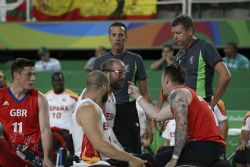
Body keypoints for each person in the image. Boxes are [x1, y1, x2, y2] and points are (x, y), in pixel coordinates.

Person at [128, 64, 226, 167]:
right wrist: (137, 95)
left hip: (203, 146)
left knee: (154, 160)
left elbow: (182, 125)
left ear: (166, 79)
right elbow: (157, 115)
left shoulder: (178, 94)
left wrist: (174, 158)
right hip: (212, 147)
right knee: (162, 153)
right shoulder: (186, 94)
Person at [93, 22, 152, 154]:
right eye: (114, 35)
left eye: (121, 35)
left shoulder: (136, 59)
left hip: (129, 111)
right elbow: (94, 92)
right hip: (105, 110)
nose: (117, 38)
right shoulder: (99, 62)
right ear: (109, 37)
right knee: (108, 154)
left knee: (134, 154)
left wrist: (150, 122)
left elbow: (145, 93)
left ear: (126, 37)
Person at [71, 70, 147, 167]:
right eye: (108, 87)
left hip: (103, 160)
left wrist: (130, 157)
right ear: (104, 87)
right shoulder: (87, 108)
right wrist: (130, 158)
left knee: (147, 159)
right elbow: (99, 144)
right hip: (90, 163)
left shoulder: (94, 107)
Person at [0, 58, 54, 166]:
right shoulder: (1, 96)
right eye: (29, 75)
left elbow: (45, 130)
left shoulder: (40, 98)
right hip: (5, 150)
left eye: (34, 74)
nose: (33, 78)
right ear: (16, 76)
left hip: (28, 152)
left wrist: (47, 158)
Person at [172, 15, 231, 109]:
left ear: (190, 31)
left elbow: (225, 75)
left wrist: (212, 104)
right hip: (182, 108)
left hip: (201, 106)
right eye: (173, 33)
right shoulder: (179, 55)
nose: (175, 37)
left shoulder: (205, 47)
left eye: (178, 33)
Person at [45, 72, 79, 155]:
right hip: (50, 133)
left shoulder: (73, 97)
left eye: (60, 80)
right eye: (55, 81)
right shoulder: (45, 97)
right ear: (52, 82)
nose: (58, 83)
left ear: (63, 81)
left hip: (66, 133)